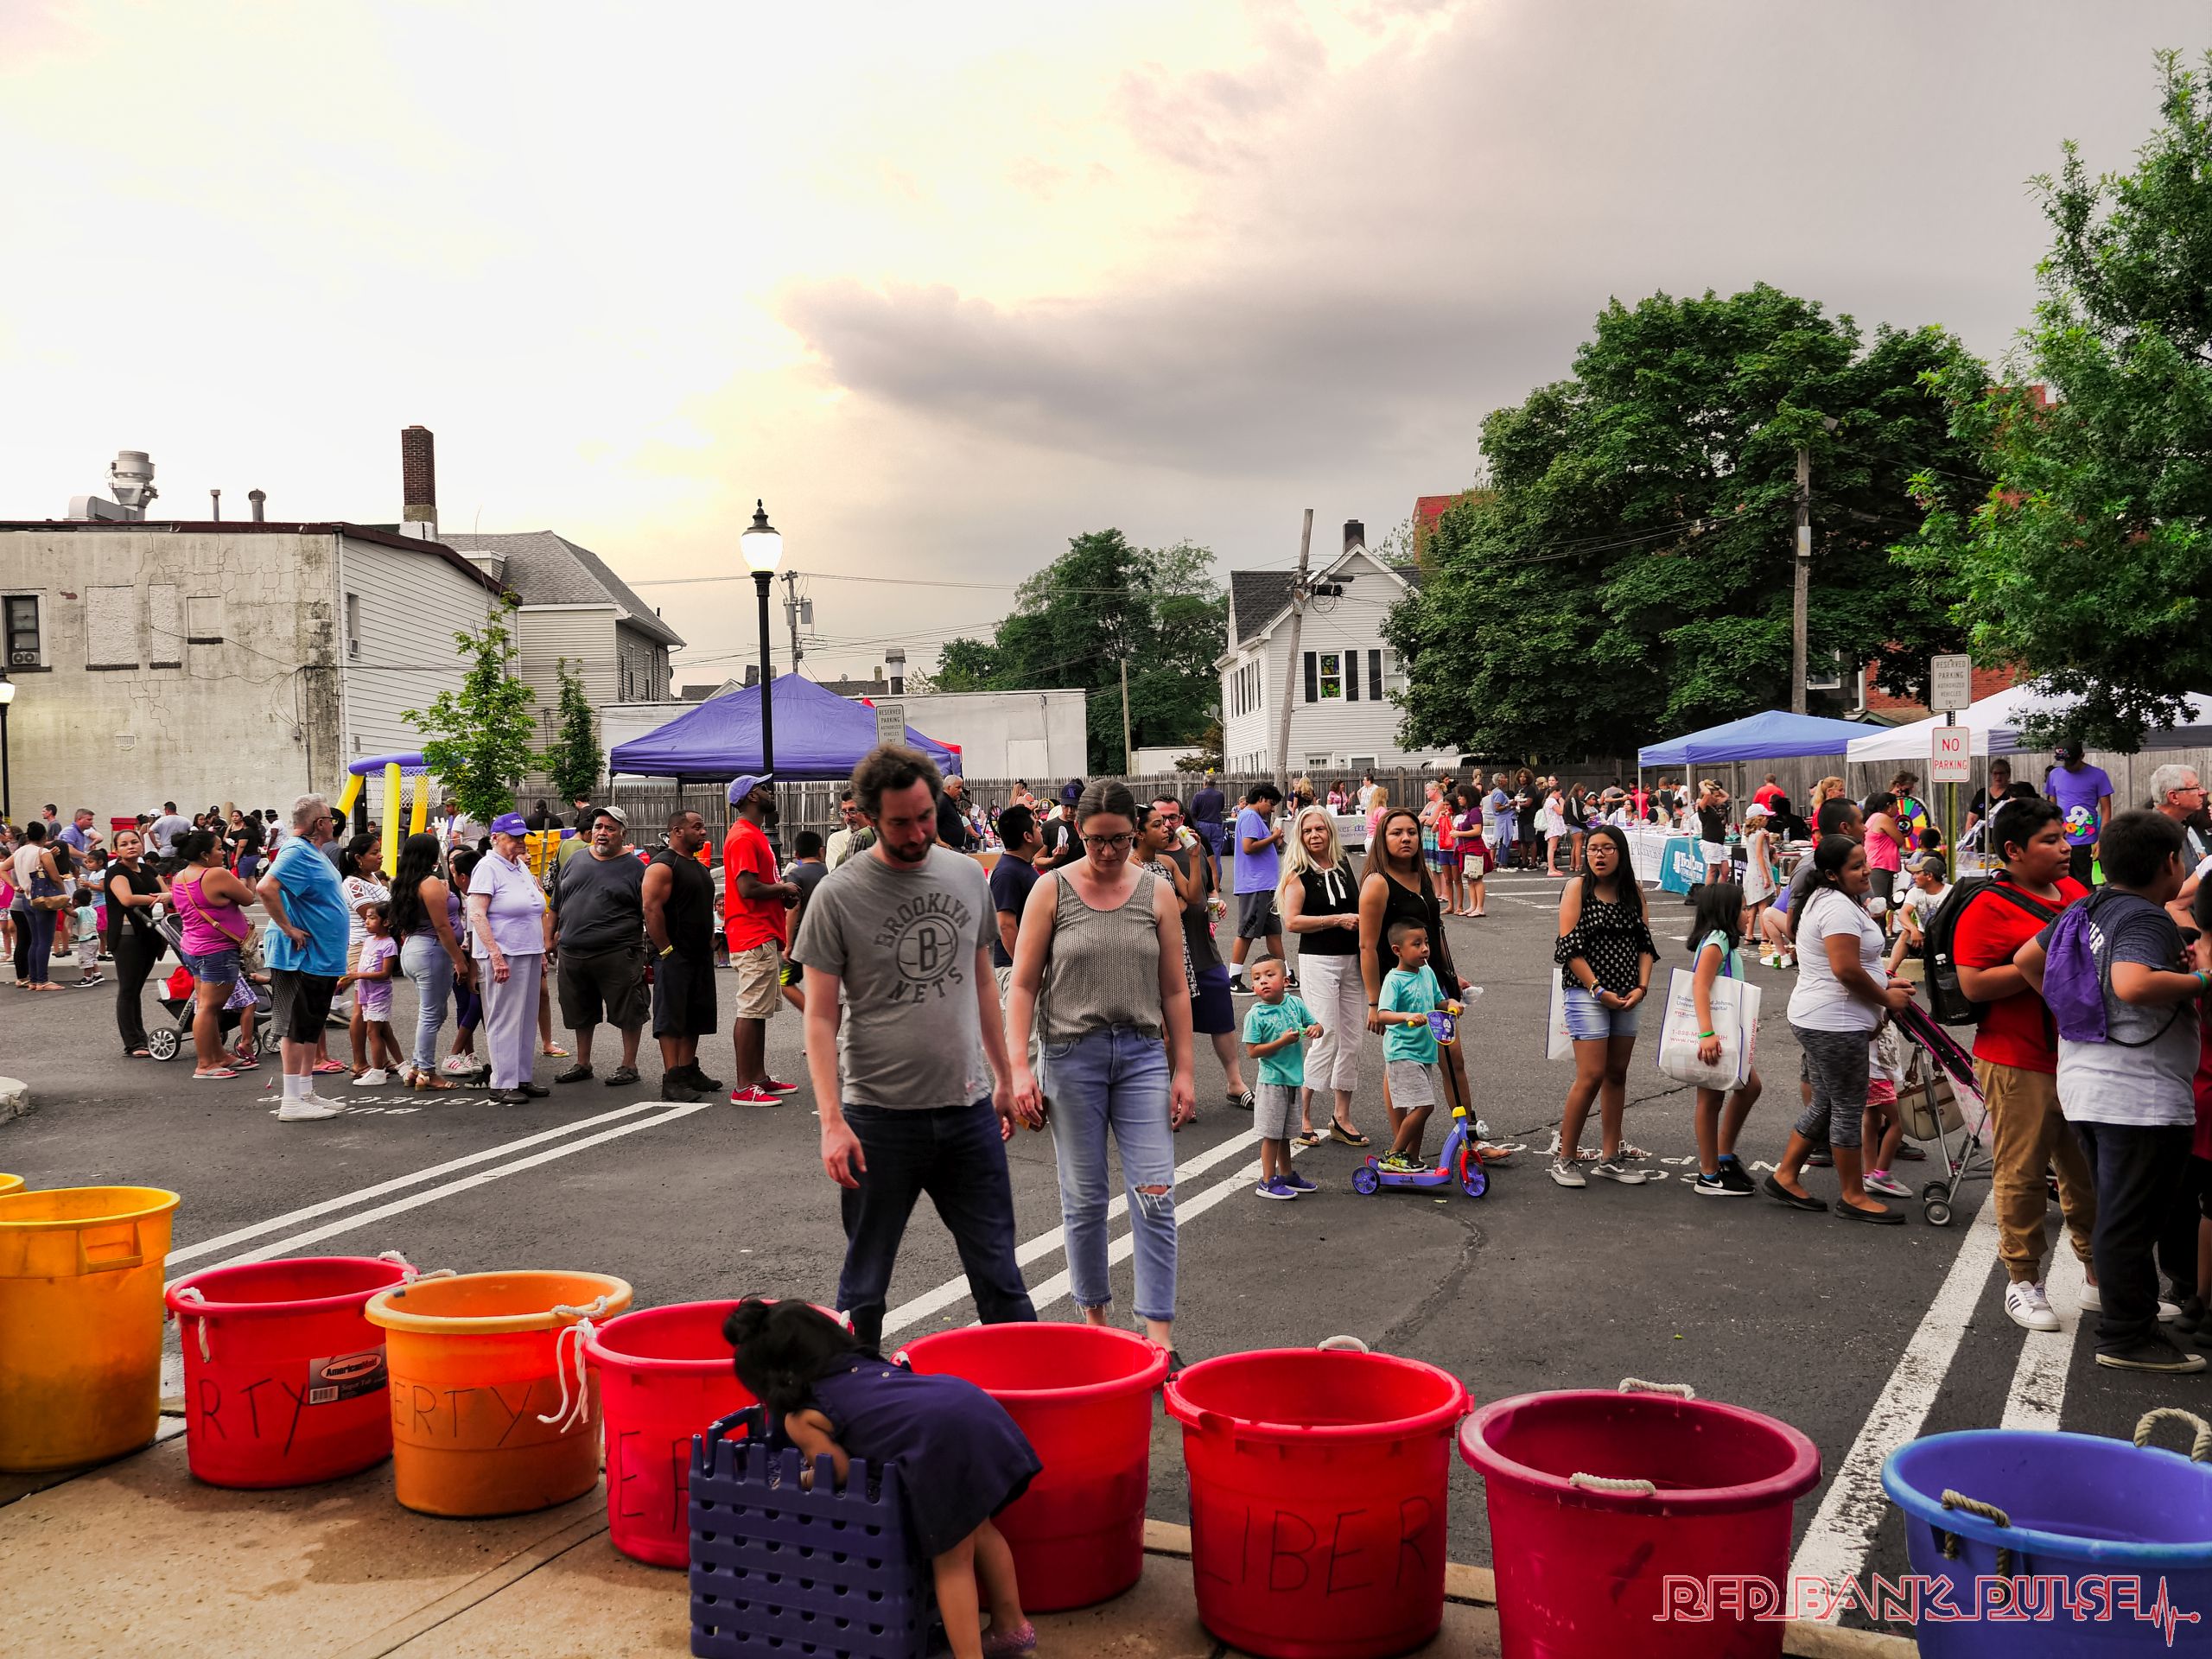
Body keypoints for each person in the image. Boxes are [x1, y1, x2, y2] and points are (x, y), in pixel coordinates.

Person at [798, 745, 1038, 1349]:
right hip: (878, 1119)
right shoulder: (838, 894)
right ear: (870, 817)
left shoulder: (965, 875)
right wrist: (831, 1122)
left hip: (968, 1114)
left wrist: (1006, 1074)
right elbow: (820, 1017)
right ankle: (857, 1405)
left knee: (1001, 1278)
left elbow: (984, 981)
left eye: (925, 816)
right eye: (900, 822)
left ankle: (1025, 1401)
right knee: (865, 1287)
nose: (917, 832)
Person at [722, 1299, 1040, 1659]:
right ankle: (1011, 1626)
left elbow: (836, 1469)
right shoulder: (862, 1363)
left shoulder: (803, 1417)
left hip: (938, 1443)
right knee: (981, 1529)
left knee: (952, 1561)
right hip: (970, 1406)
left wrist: (803, 1479)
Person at [1005, 779, 1196, 1354]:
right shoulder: (1050, 891)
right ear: (1077, 833)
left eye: (1118, 841)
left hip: (1140, 1054)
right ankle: (1096, 1326)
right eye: (1095, 842)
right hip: (1071, 1055)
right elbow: (1022, 986)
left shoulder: (1156, 891)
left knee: (1156, 1195)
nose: (1108, 853)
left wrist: (1184, 1070)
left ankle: (1157, 1338)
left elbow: (1175, 992)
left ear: (1134, 833)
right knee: (1084, 1198)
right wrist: (1020, 1069)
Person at [2017, 810, 2206, 1373]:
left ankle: (2136, 1315)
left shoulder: (2086, 907)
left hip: (2087, 1084)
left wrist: (2075, 1009)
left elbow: (2029, 959)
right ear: (2171, 863)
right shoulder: (2147, 918)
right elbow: (2132, 982)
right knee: (2129, 1218)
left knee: (2119, 1210)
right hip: (2139, 1097)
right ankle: (2126, 1336)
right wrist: (2202, 980)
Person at [1764, 836, 1913, 1221]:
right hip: (1834, 1022)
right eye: (1855, 866)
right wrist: (1885, 998)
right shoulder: (1837, 908)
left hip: (1822, 1017)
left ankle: (1785, 1175)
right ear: (1832, 874)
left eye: (1865, 862)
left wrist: (1883, 983)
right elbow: (1844, 969)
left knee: (1828, 1103)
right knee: (1848, 1106)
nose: (1866, 871)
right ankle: (1853, 1195)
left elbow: (1851, 964)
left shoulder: (1832, 900)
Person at [1548, 823, 1660, 1188]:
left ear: (1621, 853)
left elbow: (1646, 945)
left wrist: (1642, 987)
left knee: (1617, 1073)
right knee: (1591, 1074)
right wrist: (1597, 988)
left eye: (1607, 848)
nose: (1598, 855)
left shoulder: (1633, 893)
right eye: (1593, 848)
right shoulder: (1578, 888)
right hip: (1586, 992)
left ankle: (1610, 1156)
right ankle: (1566, 1157)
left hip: (1629, 993)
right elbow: (1568, 948)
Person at [1360, 808, 1475, 1162]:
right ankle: (1403, 1149)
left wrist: (1451, 977)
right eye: (1396, 833)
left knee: (1452, 1059)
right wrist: (1374, 1003)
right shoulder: (1377, 882)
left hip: (1431, 976)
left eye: (1411, 831)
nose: (1406, 838)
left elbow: (1434, 930)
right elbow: (1366, 945)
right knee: (1400, 1060)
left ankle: (1470, 1139)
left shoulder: (1423, 875)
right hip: (1398, 982)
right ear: (1383, 839)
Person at [1151, 796, 1253, 1115]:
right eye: (1160, 819)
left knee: (1221, 1014)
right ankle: (1173, 1095)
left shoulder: (1194, 846)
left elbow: (1208, 888)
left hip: (1201, 946)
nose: (1168, 824)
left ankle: (1235, 1083)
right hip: (1164, 954)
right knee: (1169, 1030)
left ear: (1182, 818)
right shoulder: (1146, 859)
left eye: (1173, 817)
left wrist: (1215, 901)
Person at [1277, 805, 1368, 1147]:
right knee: (1325, 1035)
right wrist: (1336, 920)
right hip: (1318, 961)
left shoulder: (1344, 865)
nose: (1314, 836)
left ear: (1330, 831)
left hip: (1352, 961)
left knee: (1353, 1038)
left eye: (1320, 829)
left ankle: (1341, 1117)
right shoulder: (1298, 873)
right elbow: (1292, 921)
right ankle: (1301, 1116)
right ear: (1299, 836)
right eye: (1307, 831)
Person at [257, 794, 350, 1122]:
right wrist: (288, 928)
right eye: (329, 818)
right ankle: (292, 1101)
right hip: (301, 956)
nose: (333, 823)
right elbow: (266, 887)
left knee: (310, 1025)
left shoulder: (314, 851)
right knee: (296, 1027)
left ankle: (305, 1092)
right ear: (318, 823)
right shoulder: (296, 851)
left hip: (320, 955)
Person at [548, 806, 647, 1086]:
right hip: (572, 951)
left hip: (618, 952)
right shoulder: (576, 860)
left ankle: (629, 1065)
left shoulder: (636, 868)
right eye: (599, 827)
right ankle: (583, 1063)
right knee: (579, 1011)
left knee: (629, 1010)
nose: (602, 833)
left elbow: (649, 910)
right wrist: (549, 938)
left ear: (623, 834)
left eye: (610, 829)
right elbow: (556, 903)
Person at [468, 812, 554, 1106]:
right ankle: (502, 1082)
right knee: (504, 1017)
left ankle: (521, 1076)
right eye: (513, 838)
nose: (519, 842)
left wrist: (541, 953)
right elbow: (477, 913)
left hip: (527, 950)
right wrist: (495, 954)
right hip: (504, 952)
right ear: (495, 838)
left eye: (522, 837)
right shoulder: (488, 867)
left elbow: (534, 910)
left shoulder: (519, 867)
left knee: (527, 1015)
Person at [724, 774, 799, 1103]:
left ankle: (759, 1077)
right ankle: (744, 1086)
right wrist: (783, 889)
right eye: (764, 788)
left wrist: (780, 894)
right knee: (752, 1009)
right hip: (752, 931)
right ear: (753, 796)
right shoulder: (743, 836)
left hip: (762, 930)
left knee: (760, 1010)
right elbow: (746, 888)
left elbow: (757, 885)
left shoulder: (753, 834)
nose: (769, 792)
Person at [1685, 880, 1759, 1196]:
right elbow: (1700, 986)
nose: (1747, 914)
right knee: (1710, 1099)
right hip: (1714, 1032)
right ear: (1728, 911)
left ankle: (1722, 1155)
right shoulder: (1716, 942)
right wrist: (1706, 1034)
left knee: (1749, 1086)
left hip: (1726, 1030)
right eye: (1743, 908)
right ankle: (1709, 1174)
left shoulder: (1721, 941)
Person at [644, 810, 722, 1103]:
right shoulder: (663, 866)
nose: (703, 832)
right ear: (677, 831)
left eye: (703, 827)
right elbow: (651, 909)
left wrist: (711, 937)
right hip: (673, 954)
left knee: (696, 1014)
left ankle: (688, 1069)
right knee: (671, 1017)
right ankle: (672, 1078)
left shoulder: (698, 867)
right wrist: (665, 950)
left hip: (699, 953)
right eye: (697, 827)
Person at [171, 829, 257, 1078]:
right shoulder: (216, 874)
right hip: (216, 951)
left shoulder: (180, 876)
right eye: (219, 848)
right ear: (204, 854)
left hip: (192, 948)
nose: (223, 852)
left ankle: (218, 1056)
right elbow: (248, 898)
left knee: (205, 1005)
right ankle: (205, 1063)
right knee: (209, 1008)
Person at [389, 831, 469, 1092]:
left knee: (433, 1011)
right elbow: (443, 927)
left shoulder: (403, 883)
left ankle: (417, 1066)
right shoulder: (430, 884)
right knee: (431, 1013)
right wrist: (460, 960)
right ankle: (426, 1070)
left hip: (415, 948)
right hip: (432, 950)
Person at [1376, 921, 1452, 1172]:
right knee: (1425, 1105)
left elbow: (1439, 1001)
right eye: (1417, 944)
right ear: (1397, 950)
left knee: (1421, 1105)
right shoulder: (1394, 980)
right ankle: (1395, 1153)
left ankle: (1412, 1157)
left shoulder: (1427, 973)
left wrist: (1451, 1004)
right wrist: (1407, 1016)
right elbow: (1383, 1014)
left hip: (1424, 1051)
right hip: (1402, 1052)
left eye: (1426, 943)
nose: (1425, 949)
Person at [1242, 956, 1320, 1199]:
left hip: (1293, 1080)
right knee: (1272, 1134)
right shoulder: (1255, 1015)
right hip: (1272, 1081)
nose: (1263, 981)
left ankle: (1286, 1175)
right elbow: (1253, 1052)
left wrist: (1316, 1029)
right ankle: (1267, 1180)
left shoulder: (1294, 1004)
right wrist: (1281, 1042)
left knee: (1286, 1133)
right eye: (1257, 978)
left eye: (1269, 975)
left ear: (1286, 980)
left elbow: (1316, 1025)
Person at [105, 828, 165, 1056]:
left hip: (152, 933)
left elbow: (168, 893)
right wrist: (158, 898)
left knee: (136, 988)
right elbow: (127, 899)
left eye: (134, 842)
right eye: (124, 844)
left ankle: (141, 1037)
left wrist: (163, 897)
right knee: (128, 989)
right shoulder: (115, 872)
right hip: (128, 936)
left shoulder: (149, 869)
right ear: (116, 849)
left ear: (141, 845)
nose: (130, 846)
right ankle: (133, 1043)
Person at [336, 832, 390, 1076]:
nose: (380, 856)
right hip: (362, 948)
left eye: (379, 851)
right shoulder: (353, 884)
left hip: (376, 946)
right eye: (374, 853)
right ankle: (359, 1062)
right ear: (358, 858)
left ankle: (381, 1058)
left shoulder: (372, 879)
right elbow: (371, 915)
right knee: (361, 1007)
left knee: (376, 1008)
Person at [1228, 784, 1287, 994]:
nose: (1272, 809)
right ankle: (1233, 978)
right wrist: (1273, 837)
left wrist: (1272, 840)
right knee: (1247, 931)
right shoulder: (1251, 816)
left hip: (1265, 886)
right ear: (1261, 798)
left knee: (1274, 932)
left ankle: (1286, 976)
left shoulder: (1252, 817)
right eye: (1271, 804)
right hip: (1256, 885)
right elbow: (1248, 847)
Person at [340, 900, 404, 1082]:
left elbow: (385, 973)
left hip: (379, 994)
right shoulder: (368, 941)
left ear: (386, 922)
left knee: (373, 1032)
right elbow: (363, 965)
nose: (366, 922)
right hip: (367, 993)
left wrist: (358, 975)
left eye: (372, 918)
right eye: (366, 918)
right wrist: (350, 978)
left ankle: (377, 1072)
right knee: (384, 1031)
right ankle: (402, 1066)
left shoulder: (389, 944)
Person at [2046, 741, 2115, 887]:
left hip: (2087, 842)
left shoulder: (2098, 775)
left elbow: (2106, 809)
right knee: (2061, 885)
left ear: (2082, 756)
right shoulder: (2054, 775)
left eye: (2071, 762)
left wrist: (2102, 839)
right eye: (2064, 762)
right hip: (2061, 840)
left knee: (2086, 886)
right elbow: (2051, 807)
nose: (2067, 766)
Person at [10, 820, 66, 991]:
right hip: (43, 900)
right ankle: (43, 980)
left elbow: (2, 868)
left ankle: (34, 980)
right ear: (45, 836)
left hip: (27, 898)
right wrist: (64, 895)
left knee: (35, 940)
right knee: (45, 941)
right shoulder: (43, 852)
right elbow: (55, 877)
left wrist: (14, 886)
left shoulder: (19, 852)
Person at [1452, 789, 1489, 918]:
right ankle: (1473, 906)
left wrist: (1459, 833)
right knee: (1470, 879)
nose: (1459, 799)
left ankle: (1480, 907)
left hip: (1474, 848)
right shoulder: (1468, 812)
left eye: (1461, 796)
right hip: (1466, 848)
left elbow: (1477, 831)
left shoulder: (1474, 812)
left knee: (1477, 878)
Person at [1740, 803, 1777, 932]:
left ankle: (1749, 934)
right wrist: (1766, 877)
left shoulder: (1750, 834)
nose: (1767, 819)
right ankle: (1765, 936)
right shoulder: (1760, 834)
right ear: (1758, 818)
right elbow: (1761, 855)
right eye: (1765, 817)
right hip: (1760, 873)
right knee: (1763, 906)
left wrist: (1767, 840)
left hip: (1751, 872)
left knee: (1754, 906)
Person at [1965, 759, 2014, 849]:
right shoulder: (1982, 794)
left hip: (2006, 843)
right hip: (1983, 843)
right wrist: (1969, 841)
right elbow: (1971, 819)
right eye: (1995, 773)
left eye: (2001, 773)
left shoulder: (2013, 793)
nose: (1998, 777)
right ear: (1991, 774)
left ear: (2008, 774)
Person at [825, 791, 874, 870]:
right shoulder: (836, 840)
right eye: (844, 812)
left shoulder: (879, 836)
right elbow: (838, 874)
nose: (847, 818)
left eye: (852, 811)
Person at [1189, 776, 1227, 861]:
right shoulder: (1220, 795)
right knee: (1216, 851)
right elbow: (1221, 808)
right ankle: (1216, 872)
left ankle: (1205, 872)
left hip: (1202, 824)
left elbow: (1193, 812)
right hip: (1216, 824)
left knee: (1203, 850)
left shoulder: (1198, 795)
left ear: (1205, 783)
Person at [938, 773, 976, 851]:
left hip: (953, 849)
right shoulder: (942, 801)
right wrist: (938, 841)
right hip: (947, 849)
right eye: (958, 788)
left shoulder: (949, 802)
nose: (961, 791)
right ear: (949, 787)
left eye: (961, 787)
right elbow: (932, 822)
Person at [148, 801, 189, 865]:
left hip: (165, 852)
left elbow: (150, 831)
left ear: (167, 810)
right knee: (177, 873)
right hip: (179, 852)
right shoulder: (185, 820)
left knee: (161, 872)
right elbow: (194, 830)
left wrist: (156, 844)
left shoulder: (162, 820)